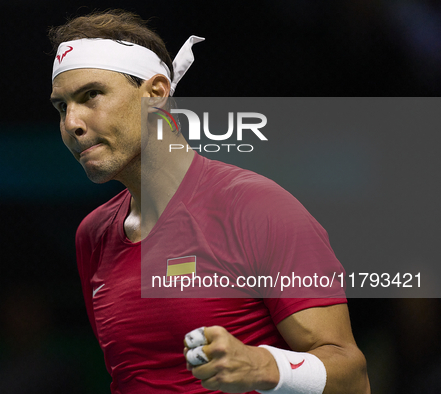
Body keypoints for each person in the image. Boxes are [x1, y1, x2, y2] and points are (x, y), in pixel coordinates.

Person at [49, 9, 369, 394]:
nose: (72, 123)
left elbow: (353, 378)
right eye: (62, 107)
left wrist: (265, 366)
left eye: (91, 96)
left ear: (155, 94)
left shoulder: (257, 207)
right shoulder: (93, 234)